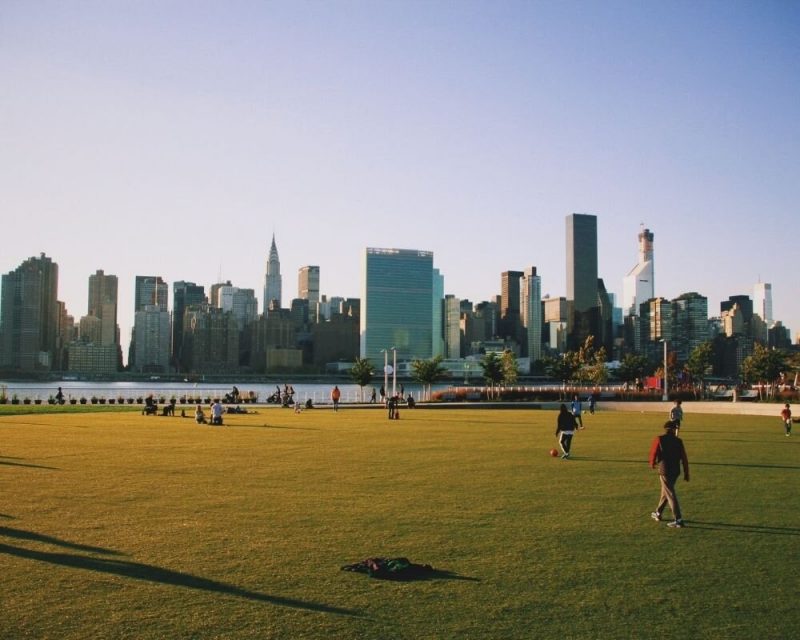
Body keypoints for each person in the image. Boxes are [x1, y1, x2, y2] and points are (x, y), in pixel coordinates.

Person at [649, 420, 690, 528]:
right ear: (673, 430)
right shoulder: (679, 441)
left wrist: (652, 463)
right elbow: (684, 458)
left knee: (670, 494)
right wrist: (686, 472)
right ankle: (658, 513)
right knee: (666, 492)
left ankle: (678, 519)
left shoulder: (659, 439)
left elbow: (654, 452)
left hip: (664, 470)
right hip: (675, 471)